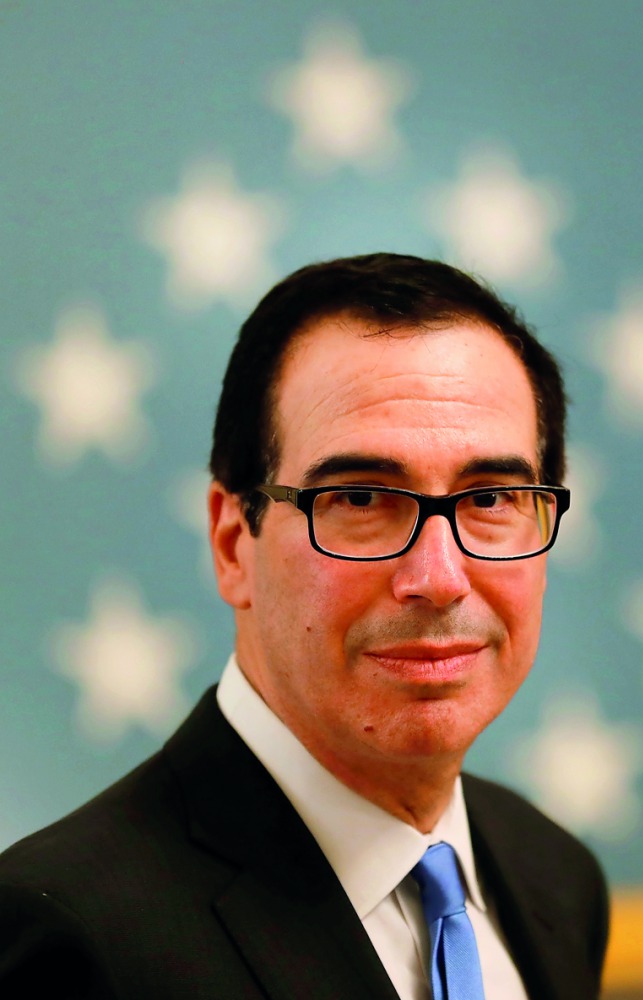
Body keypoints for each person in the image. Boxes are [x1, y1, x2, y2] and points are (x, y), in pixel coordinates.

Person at [0, 253, 608, 999]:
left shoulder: (556, 878)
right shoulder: (64, 939)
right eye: (358, 499)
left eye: (491, 499)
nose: (440, 579)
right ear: (233, 543)